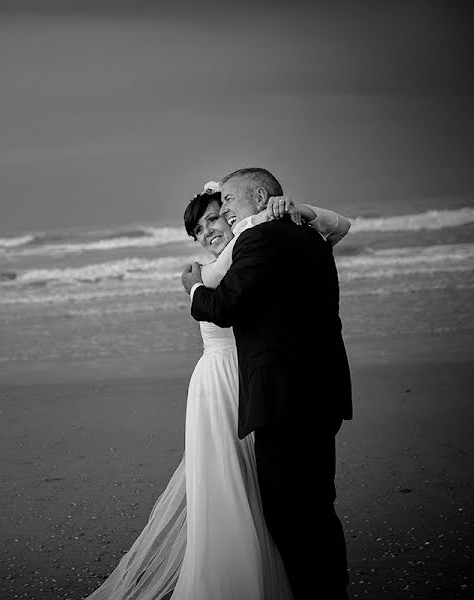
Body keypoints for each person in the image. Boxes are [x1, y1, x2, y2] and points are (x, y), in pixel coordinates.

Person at [84, 179, 350, 600]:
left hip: (248, 383)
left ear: (237, 215)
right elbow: (330, 229)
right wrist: (289, 212)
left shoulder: (245, 244)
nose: (210, 230)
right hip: (231, 385)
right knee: (258, 493)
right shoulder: (236, 253)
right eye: (199, 229)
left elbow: (232, 280)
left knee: (274, 497)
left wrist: (288, 210)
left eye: (218, 216)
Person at [184, 168, 353, 600]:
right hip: (324, 389)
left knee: (287, 512)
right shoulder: (311, 236)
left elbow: (224, 305)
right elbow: (339, 226)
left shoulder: (257, 238)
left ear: (259, 197)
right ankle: (332, 590)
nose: (226, 216)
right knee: (317, 505)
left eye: (229, 207)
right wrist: (304, 210)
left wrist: (191, 288)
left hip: (283, 398)